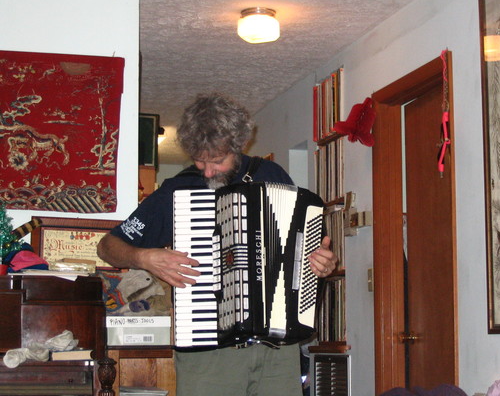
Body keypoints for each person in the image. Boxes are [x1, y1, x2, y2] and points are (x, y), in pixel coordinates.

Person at [97, 92, 338, 396]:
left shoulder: (273, 176)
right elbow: (108, 246)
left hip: (278, 346)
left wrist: (321, 263)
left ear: (238, 146)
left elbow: (299, 253)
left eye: (218, 161)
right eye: (200, 161)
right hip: (208, 349)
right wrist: (145, 257)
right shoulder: (177, 190)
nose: (208, 172)